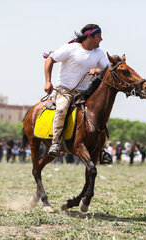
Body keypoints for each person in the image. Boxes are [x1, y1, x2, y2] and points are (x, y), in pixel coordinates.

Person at [44, 24, 110, 157]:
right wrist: (47, 81)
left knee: (100, 114)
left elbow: (109, 70)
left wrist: (98, 70)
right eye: (99, 36)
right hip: (65, 90)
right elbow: (50, 59)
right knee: (62, 109)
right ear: (90, 37)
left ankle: (100, 149)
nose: (101, 39)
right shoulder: (71, 48)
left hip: (84, 92)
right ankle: (55, 142)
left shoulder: (99, 53)